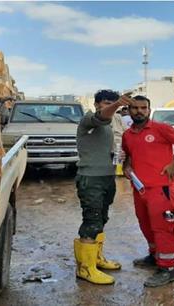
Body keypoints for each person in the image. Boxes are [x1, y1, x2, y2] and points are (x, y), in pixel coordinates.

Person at [122, 95, 174, 287]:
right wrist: (126, 167)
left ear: (149, 109)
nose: (139, 111)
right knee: (145, 225)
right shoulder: (127, 135)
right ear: (129, 111)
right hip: (140, 189)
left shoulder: (160, 129)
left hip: (161, 189)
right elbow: (129, 156)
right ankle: (154, 257)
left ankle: (168, 269)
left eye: (143, 108)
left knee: (164, 228)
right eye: (135, 108)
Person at [73, 89, 131, 285]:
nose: (111, 107)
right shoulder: (89, 119)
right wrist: (117, 105)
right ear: (97, 104)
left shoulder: (114, 122)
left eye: (113, 104)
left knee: (101, 219)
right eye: (107, 103)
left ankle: (95, 259)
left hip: (107, 176)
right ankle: (85, 269)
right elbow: (102, 117)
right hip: (91, 179)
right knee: (91, 221)